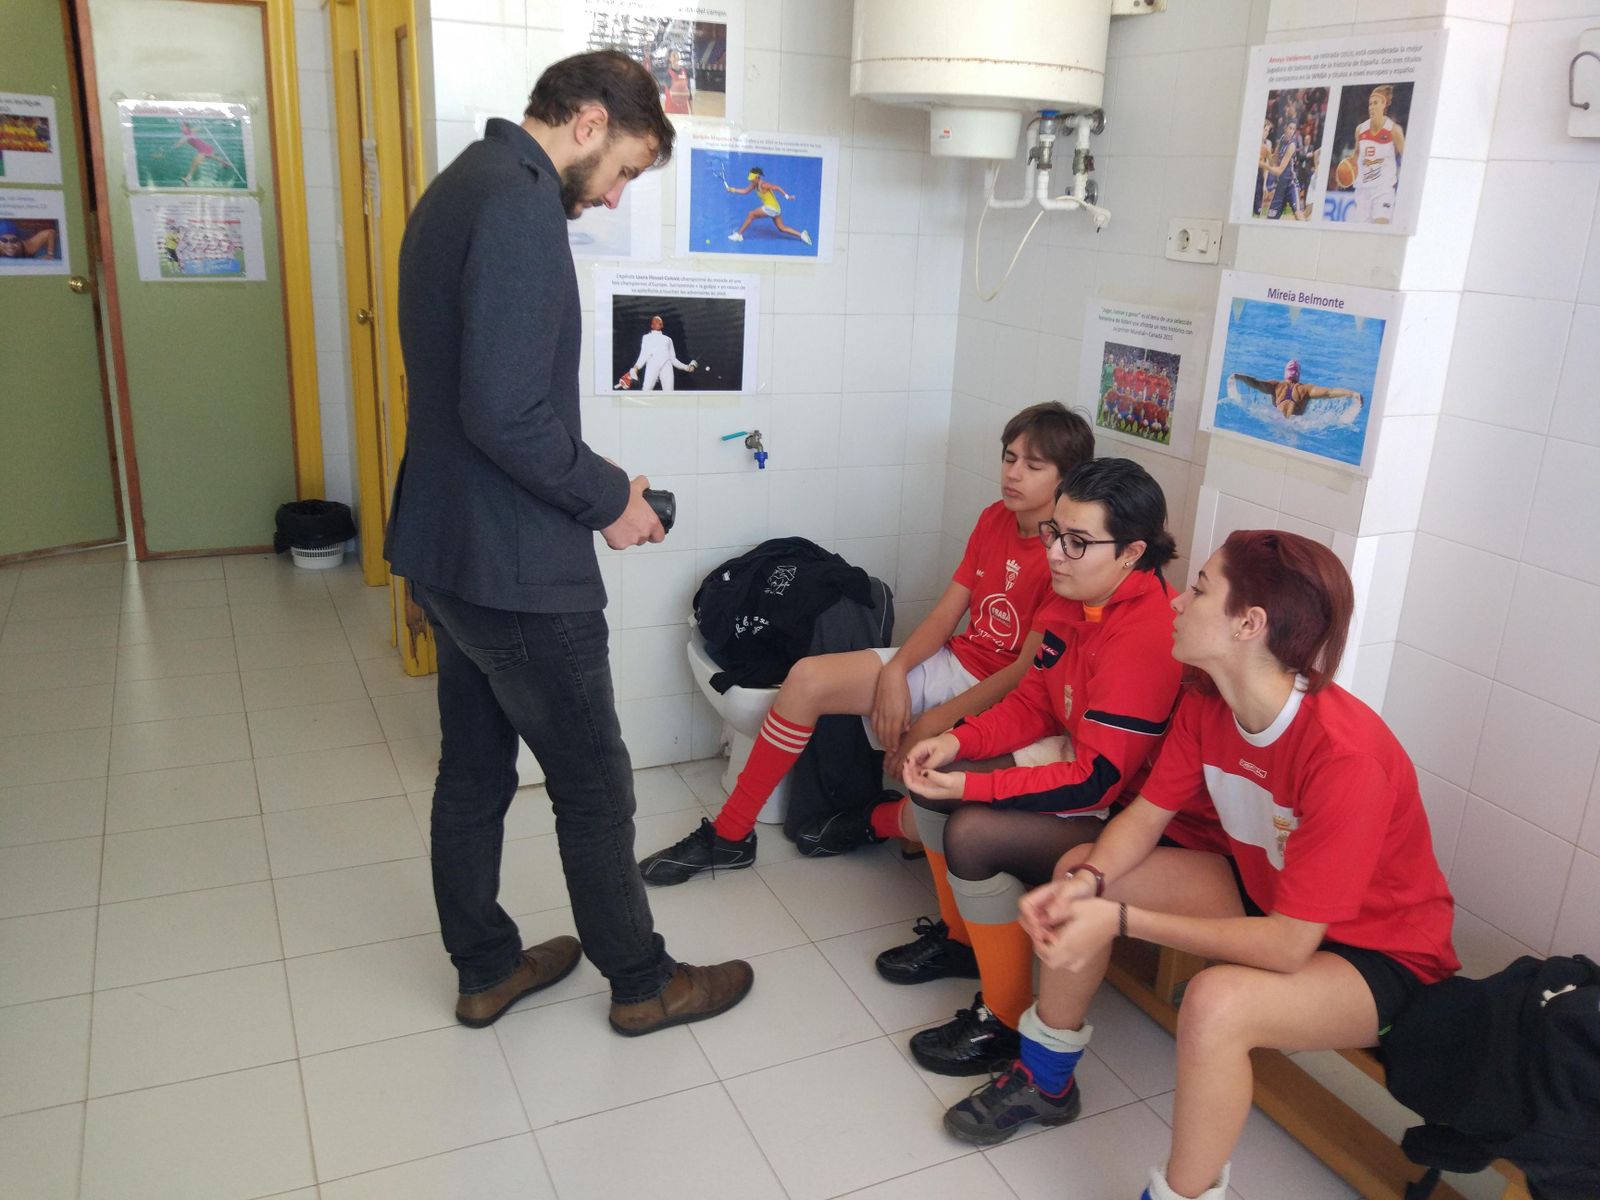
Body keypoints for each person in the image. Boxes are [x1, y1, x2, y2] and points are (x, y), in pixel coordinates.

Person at [385, 50, 752, 1036]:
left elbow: (483, 399)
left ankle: (486, 966)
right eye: (627, 168)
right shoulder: (517, 204)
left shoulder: (463, 184)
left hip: (448, 546)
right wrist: (605, 501)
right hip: (512, 571)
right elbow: (503, 411)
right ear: (588, 121)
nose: (616, 194)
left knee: (473, 768)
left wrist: (595, 481)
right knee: (594, 785)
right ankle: (643, 982)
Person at [940, 530, 1459, 1200]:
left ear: (1250, 624)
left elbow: (1287, 944)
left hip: (1378, 956)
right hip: (1267, 896)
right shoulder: (1209, 700)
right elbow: (1145, 818)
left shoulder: (1343, 756)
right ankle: (1044, 1080)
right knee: (1080, 867)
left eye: (1202, 588)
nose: (1178, 600)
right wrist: (1091, 887)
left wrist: (1120, 918)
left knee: (1216, 1006)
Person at [637, 403, 1096, 884]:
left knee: (941, 781)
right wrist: (896, 671)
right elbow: (945, 614)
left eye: (1033, 465)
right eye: (1009, 457)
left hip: (1007, 695)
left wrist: (937, 720)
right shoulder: (994, 519)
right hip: (957, 661)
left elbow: (1027, 671)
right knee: (807, 678)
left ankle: (875, 822)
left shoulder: (1064, 555)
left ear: (1066, 479)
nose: (1013, 473)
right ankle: (731, 836)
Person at [884, 459, 1190, 1075]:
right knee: (930, 785)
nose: (1055, 554)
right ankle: (965, 941)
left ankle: (1004, 1018)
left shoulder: (1145, 636)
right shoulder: (1076, 598)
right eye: (1055, 534)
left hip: (1134, 816)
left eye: (1077, 542)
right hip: (1087, 773)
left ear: (1132, 552)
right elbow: (1033, 703)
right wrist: (956, 742)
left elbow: (1098, 779)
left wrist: (975, 782)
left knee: (972, 830)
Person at [1230, 360, 1361, 419]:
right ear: (1298, 374)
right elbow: (1329, 392)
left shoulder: (1275, 386)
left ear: (1286, 373)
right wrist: (1351, 393)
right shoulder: (1306, 390)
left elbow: (1255, 383)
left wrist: (1238, 376)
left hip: (1275, 420)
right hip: (1297, 425)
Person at [1350, 85, 1404, 224]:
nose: (1371, 107)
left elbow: (1407, 159)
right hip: (1362, 190)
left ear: (1384, 104)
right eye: (1370, 104)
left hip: (1383, 189)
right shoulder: (1360, 129)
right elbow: (1356, 154)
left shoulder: (1394, 130)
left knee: (1380, 229)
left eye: (1375, 103)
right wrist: (1348, 169)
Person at [726, 166, 812, 245]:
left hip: (772, 208)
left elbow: (777, 188)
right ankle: (802, 235)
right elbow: (745, 191)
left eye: (752, 179)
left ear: (757, 177)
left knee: (751, 214)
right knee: (781, 228)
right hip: (775, 208)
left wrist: (787, 196)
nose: (751, 180)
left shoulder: (764, 185)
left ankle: (738, 235)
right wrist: (732, 189)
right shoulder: (754, 185)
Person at [619, 314, 697, 391]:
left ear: (662, 325)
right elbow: (643, 355)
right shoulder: (646, 338)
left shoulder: (668, 339)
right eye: (655, 320)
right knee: (646, 391)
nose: (657, 320)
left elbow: (673, 359)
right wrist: (636, 368)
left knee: (669, 393)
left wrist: (687, 368)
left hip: (666, 365)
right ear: (652, 325)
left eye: (659, 320)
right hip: (652, 365)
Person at [662, 48, 692, 115]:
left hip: (684, 111)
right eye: (673, 55)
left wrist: (692, 110)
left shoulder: (685, 72)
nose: (676, 57)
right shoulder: (666, 74)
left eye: (677, 54)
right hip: (671, 111)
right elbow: (674, 90)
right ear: (669, 58)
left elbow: (689, 93)